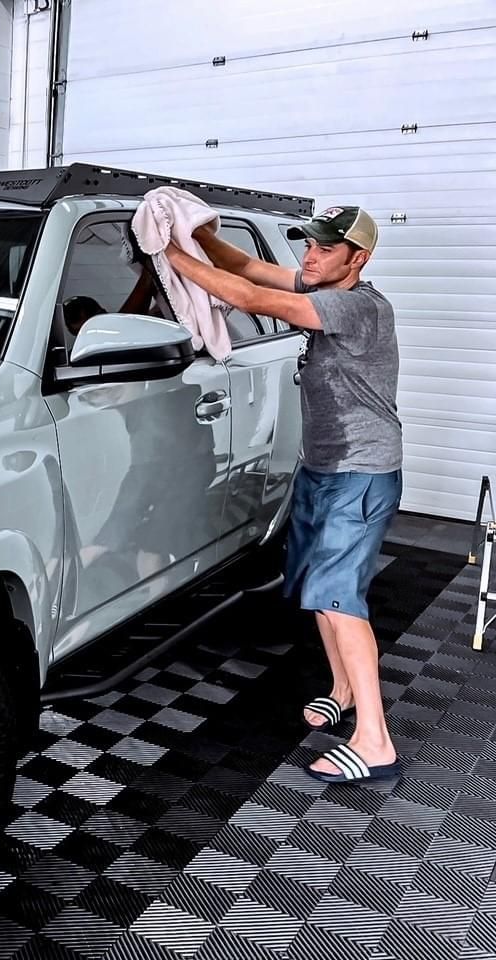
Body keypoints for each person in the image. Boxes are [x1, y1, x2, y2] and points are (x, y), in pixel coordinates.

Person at [163, 205, 404, 784]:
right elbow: (247, 268)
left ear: (359, 258)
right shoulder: (323, 285)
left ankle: (376, 742)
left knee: (340, 599)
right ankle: (343, 689)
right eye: (309, 246)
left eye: (325, 249)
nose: (310, 257)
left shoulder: (357, 306)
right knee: (320, 592)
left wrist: (165, 252)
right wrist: (196, 237)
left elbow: (252, 298)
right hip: (323, 466)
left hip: (360, 472)